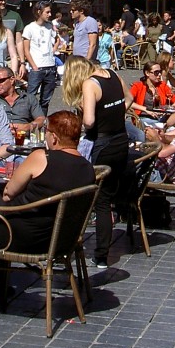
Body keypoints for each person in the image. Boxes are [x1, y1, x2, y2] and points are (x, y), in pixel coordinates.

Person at [0, 110, 95, 313]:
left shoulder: (42, 157)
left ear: (53, 137)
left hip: (20, 238)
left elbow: (9, 193)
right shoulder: (88, 169)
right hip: (59, 241)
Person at [67, 55, 130, 269]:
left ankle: (101, 254)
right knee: (107, 195)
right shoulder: (113, 75)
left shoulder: (89, 84)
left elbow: (89, 121)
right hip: (121, 139)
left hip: (103, 144)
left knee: (101, 201)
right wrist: (116, 115)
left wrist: (86, 109)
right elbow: (128, 98)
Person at [21, 0, 60, 111]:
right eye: (47, 12)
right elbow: (26, 50)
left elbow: (57, 40)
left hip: (50, 66)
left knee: (46, 100)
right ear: (39, 12)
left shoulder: (50, 26)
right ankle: (28, 122)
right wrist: (34, 66)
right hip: (37, 68)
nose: (50, 15)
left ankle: (42, 123)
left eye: (50, 12)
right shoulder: (29, 28)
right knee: (31, 97)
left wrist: (52, 51)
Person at [0, 65, 46, 134]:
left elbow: (41, 119)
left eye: (1, 81)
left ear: (12, 80)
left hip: (23, 138)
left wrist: (28, 127)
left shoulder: (28, 98)